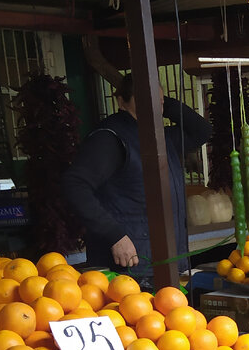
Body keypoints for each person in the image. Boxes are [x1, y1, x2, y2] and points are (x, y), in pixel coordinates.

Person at [61, 75, 211, 284]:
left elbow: (202, 132)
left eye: (158, 103)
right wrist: (115, 235)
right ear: (122, 102)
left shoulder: (160, 135)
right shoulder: (109, 138)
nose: (154, 108)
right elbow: (75, 184)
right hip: (129, 266)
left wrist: (165, 104)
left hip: (168, 260)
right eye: (145, 101)